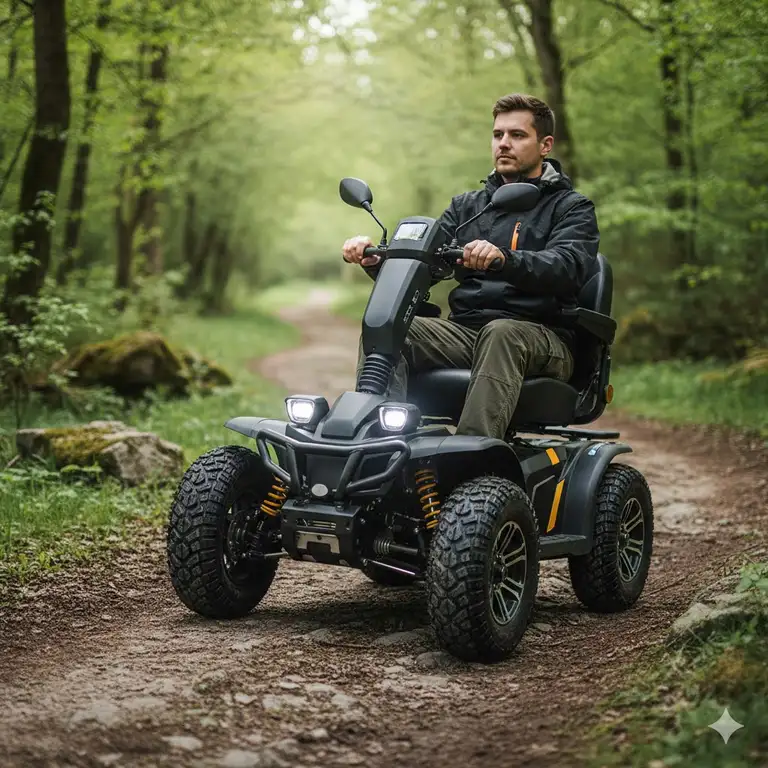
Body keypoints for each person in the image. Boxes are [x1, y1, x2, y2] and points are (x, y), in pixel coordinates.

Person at [342, 93, 600, 440]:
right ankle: (379, 443)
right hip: (468, 333)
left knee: (502, 333)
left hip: (543, 337)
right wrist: (377, 262)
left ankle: (471, 456)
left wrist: (504, 260)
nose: (504, 143)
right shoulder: (468, 207)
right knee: (392, 330)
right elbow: (426, 264)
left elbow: (568, 267)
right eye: (498, 135)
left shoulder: (571, 207)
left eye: (517, 135)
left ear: (545, 145)